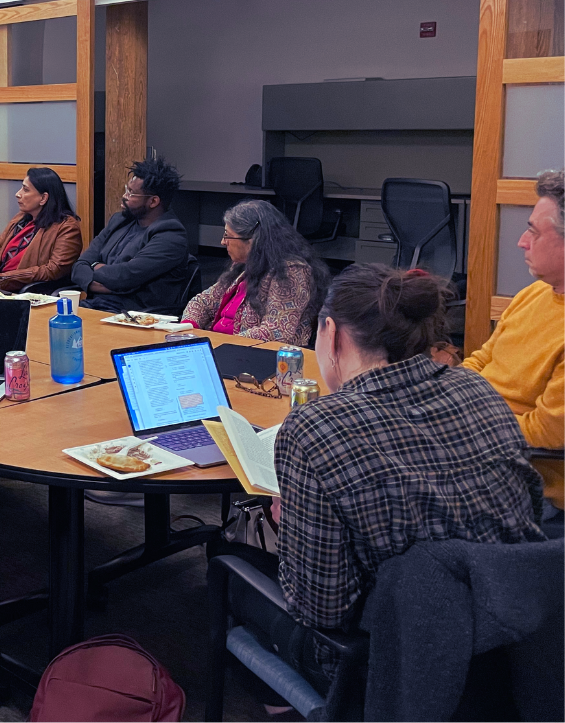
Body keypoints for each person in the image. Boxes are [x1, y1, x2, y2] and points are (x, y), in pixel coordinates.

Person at [221, 264, 545, 705]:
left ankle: (288, 698)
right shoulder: (478, 389)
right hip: (511, 631)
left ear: (331, 333)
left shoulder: (317, 427)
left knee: (229, 568)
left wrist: (296, 525)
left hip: (384, 661)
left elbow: (321, 610)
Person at [463, 168, 564, 513]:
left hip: (525, 481)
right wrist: (451, 403)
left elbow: (546, 435)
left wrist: (467, 424)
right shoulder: (534, 293)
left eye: (534, 231)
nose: (522, 241)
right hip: (479, 447)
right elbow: (481, 360)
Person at [181, 199, 329, 346]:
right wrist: (188, 329)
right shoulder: (243, 265)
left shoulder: (291, 272)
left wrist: (220, 342)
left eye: (227, 235)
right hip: (219, 347)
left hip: (251, 357)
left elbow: (276, 332)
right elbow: (203, 301)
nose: (223, 242)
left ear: (252, 240)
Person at [70, 158, 197, 314]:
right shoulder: (119, 220)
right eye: (127, 189)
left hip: (132, 315)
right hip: (95, 306)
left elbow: (125, 277)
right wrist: (111, 281)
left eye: (131, 193)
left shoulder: (171, 235)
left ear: (153, 201)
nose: (124, 196)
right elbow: (79, 266)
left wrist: (93, 268)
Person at [0, 167, 83, 292]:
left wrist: (3, 279)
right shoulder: (21, 218)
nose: (18, 194)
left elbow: (53, 270)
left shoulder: (67, 227)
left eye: (26, 190)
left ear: (44, 198)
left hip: (22, 291)